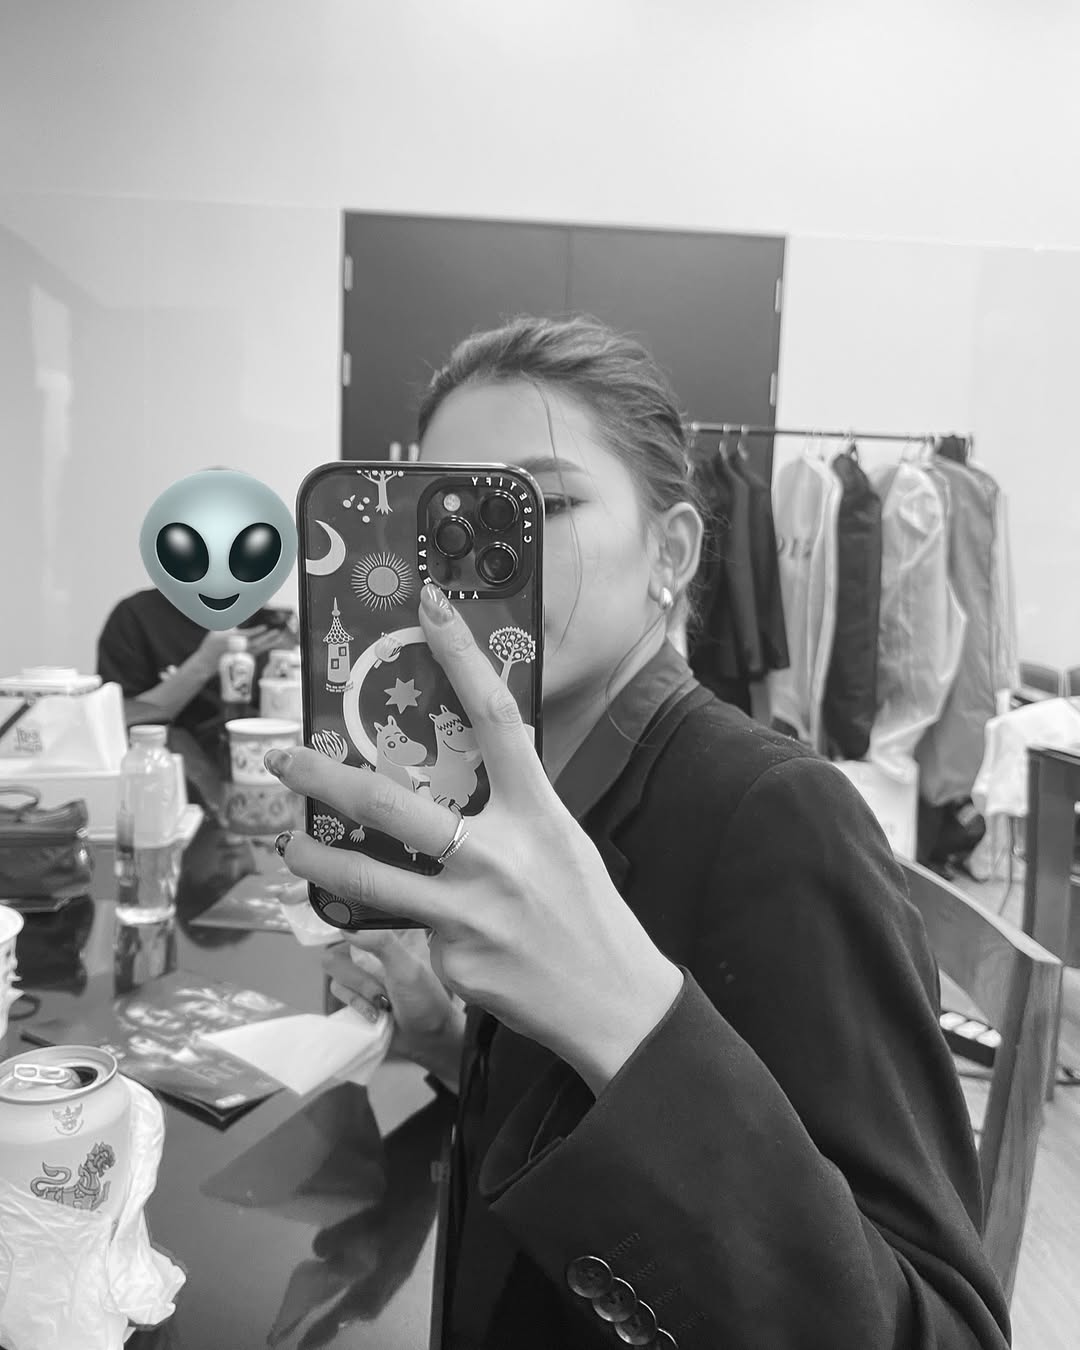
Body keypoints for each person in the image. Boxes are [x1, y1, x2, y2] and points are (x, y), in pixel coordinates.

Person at [266, 316, 1011, 1350]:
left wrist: (626, 1015)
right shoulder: (525, 803)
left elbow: (944, 1331)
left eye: (543, 505)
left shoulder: (775, 817)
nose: (470, 563)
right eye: (439, 516)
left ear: (672, 550)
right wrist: (449, 1041)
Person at [96, 585, 295, 751]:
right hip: (166, 760)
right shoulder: (136, 615)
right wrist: (204, 663)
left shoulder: (256, 617)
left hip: (252, 759)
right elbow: (119, 723)